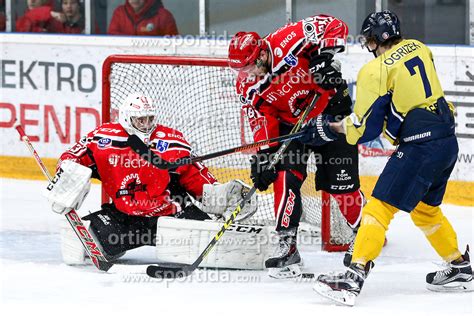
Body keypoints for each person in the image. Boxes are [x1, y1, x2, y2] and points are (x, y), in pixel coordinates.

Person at [311, 10, 472, 306]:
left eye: (368, 40)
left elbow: (363, 127)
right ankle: (460, 268)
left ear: (373, 39)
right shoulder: (420, 48)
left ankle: (353, 277)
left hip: (419, 146)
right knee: (426, 211)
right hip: (447, 141)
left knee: (378, 208)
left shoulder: (375, 71)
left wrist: (329, 128)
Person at [227, 14, 365, 278]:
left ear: (261, 55)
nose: (246, 75)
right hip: (294, 128)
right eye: (240, 70)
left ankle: (363, 234)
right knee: (283, 176)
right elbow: (261, 119)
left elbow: (334, 24)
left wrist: (324, 55)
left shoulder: (288, 38)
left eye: (248, 67)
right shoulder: (248, 85)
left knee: (341, 187)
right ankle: (287, 246)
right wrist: (264, 156)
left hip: (332, 113)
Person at [44, 93, 256, 261]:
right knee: (76, 240)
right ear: (127, 118)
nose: (146, 124)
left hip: (170, 219)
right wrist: (66, 177)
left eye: (150, 119)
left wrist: (218, 196)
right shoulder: (102, 139)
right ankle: (116, 244)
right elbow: (72, 158)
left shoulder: (171, 141)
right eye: (140, 120)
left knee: (216, 249)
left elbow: (195, 176)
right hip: (125, 220)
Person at [108, 0, 178, 36]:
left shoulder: (164, 16)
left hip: (154, 60)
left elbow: (173, 43)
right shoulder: (119, 12)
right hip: (124, 59)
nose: (135, 0)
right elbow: (112, 37)